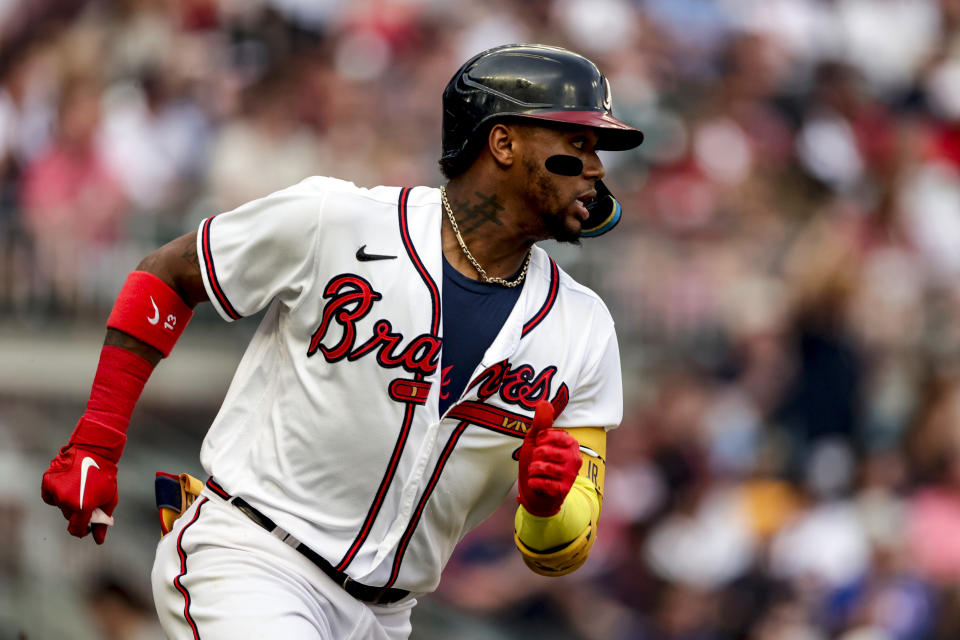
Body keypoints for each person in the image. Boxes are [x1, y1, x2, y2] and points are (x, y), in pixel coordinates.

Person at [40, 43, 643, 639]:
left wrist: (546, 507)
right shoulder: (336, 219)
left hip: (388, 616)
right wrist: (99, 437)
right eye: (578, 144)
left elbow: (560, 550)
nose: (596, 168)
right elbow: (169, 275)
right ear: (503, 142)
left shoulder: (584, 327)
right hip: (254, 561)